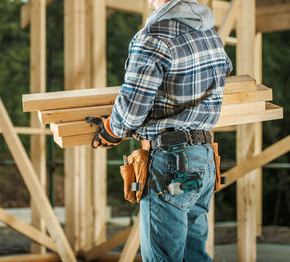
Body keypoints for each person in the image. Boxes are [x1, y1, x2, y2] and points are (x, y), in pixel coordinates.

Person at [86, 0, 232, 261]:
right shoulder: (210, 34)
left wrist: (112, 129)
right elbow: (222, 76)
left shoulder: (155, 36)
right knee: (193, 254)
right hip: (204, 158)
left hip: (172, 161)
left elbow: (132, 106)